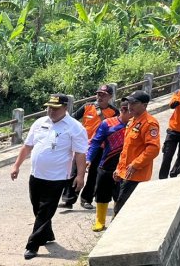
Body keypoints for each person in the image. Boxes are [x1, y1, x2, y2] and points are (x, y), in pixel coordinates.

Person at [10, 94, 86, 260]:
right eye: (49, 107)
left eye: (55, 108)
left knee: (45, 211)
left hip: (57, 177)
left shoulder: (75, 127)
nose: (51, 111)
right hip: (36, 174)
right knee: (37, 207)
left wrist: (80, 176)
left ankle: (33, 245)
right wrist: (16, 165)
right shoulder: (40, 123)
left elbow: (80, 154)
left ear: (66, 108)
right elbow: (27, 146)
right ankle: (47, 233)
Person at [61, 85, 119, 208]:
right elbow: (73, 119)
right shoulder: (87, 106)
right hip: (82, 145)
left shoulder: (114, 112)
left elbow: (117, 129)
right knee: (74, 172)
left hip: (101, 147)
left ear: (110, 96)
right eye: (98, 94)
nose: (100, 97)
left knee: (94, 174)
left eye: (103, 95)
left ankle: (86, 199)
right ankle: (68, 200)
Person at [114, 90, 161, 214]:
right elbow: (127, 149)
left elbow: (153, 149)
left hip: (137, 175)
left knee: (123, 210)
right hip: (126, 173)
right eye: (129, 103)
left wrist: (135, 164)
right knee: (121, 206)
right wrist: (119, 169)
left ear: (144, 105)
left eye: (134, 103)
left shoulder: (149, 123)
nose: (130, 106)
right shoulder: (132, 121)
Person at [87, 98, 130, 232]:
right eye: (131, 111)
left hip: (124, 167)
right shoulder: (107, 123)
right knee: (102, 193)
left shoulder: (135, 125)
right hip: (106, 165)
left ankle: (117, 219)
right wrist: (89, 158)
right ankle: (100, 221)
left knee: (120, 195)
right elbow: (95, 142)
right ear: (123, 110)